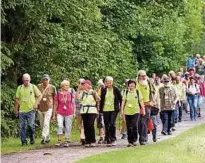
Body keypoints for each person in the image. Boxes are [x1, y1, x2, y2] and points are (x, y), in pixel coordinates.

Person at [14, 73, 41, 146]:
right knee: (22, 127)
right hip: (22, 111)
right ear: (23, 80)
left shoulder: (33, 87)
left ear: (30, 80)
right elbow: (16, 98)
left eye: (28, 80)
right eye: (25, 80)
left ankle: (32, 138)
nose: (26, 82)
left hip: (31, 110)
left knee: (31, 126)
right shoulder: (19, 88)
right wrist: (16, 109)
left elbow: (39, 96)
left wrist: (36, 104)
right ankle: (24, 142)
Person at [121, 80, 145, 147]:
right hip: (127, 111)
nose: (131, 86)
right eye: (130, 84)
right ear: (128, 85)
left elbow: (141, 101)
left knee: (134, 125)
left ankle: (134, 140)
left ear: (135, 85)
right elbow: (123, 102)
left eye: (133, 84)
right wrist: (122, 110)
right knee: (129, 126)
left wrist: (143, 109)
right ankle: (130, 141)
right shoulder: (126, 92)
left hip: (136, 111)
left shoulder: (137, 92)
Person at [76, 80, 100, 147]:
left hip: (92, 110)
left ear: (89, 85)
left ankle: (92, 141)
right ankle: (87, 141)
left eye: (85, 84)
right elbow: (77, 98)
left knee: (90, 124)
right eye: (83, 84)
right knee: (86, 125)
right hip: (84, 111)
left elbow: (98, 99)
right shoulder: (82, 93)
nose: (84, 85)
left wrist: (96, 93)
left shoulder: (93, 92)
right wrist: (78, 89)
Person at [100, 76, 122, 147]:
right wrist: (100, 110)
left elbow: (121, 99)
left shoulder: (116, 89)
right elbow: (102, 100)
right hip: (106, 109)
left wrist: (121, 108)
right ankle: (108, 139)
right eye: (107, 82)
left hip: (114, 109)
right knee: (107, 124)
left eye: (110, 82)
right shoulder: (103, 90)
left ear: (112, 82)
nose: (108, 84)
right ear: (105, 83)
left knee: (112, 124)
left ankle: (113, 139)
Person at [53, 80, 76, 147]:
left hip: (69, 112)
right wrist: (54, 114)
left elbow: (73, 103)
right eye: (66, 85)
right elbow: (55, 104)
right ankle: (59, 140)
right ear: (62, 86)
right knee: (60, 125)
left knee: (68, 126)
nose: (67, 87)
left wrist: (74, 112)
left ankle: (67, 140)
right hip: (60, 112)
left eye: (68, 85)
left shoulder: (70, 94)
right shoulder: (58, 94)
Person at [136, 70, 155, 145]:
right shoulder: (135, 83)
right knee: (138, 122)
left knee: (144, 122)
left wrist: (152, 101)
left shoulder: (148, 82)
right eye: (142, 76)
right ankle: (141, 137)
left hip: (147, 105)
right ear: (139, 76)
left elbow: (153, 91)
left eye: (145, 75)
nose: (144, 77)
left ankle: (143, 139)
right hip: (137, 105)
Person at [37, 74, 57, 144]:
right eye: (44, 79)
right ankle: (48, 137)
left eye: (46, 79)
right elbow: (36, 96)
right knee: (42, 124)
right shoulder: (38, 86)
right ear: (42, 80)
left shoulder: (52, 87)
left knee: (46, 123)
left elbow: (55, 100)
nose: (45, 81)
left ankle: (43, 138)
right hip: (40, 108)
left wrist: (55, 111)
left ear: (49, 80)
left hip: (49, 108)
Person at [75, 78, 86, 145]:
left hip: (85, 109)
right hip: (78, 109)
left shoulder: (86, 91)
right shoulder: (77, 91)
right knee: (79, 125)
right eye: (79, 83)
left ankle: (83, 137)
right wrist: (78, 90)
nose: (80, 85)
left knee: (83, 124)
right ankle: (82, 136)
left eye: (82, 83)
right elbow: (77, 99)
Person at [96, 79, 105, 144]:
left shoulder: (107, 90)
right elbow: (98, 99)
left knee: (106, 123)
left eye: (101, 85)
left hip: (106, 108)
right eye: (100, 85)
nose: (101, 86)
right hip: (100, 109)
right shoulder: (98, 90)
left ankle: (106, 136)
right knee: (100, 123)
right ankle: (101, 136)